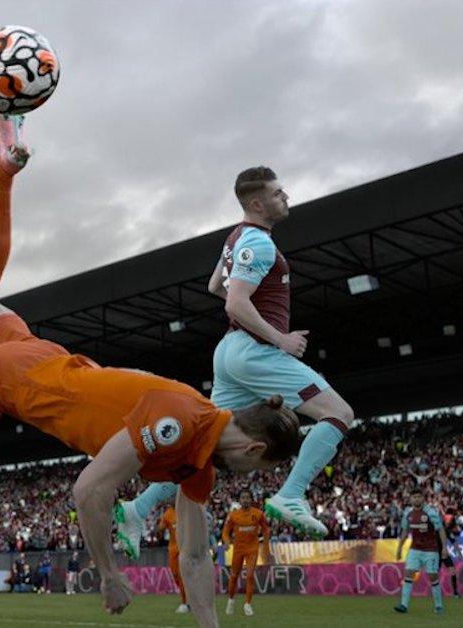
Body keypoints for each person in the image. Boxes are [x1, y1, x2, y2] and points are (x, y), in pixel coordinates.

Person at [0, 115, 300, 628]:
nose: (249, 478)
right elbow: (89, 489)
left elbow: (195, 558)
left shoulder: (198, 464)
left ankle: (1, 176)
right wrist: (108, 573)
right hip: (9, 380)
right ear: (254, 448)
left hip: (42, 357)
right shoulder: (179, 423)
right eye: (259, 470)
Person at [116, 166, 355, 555]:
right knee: (338, 413)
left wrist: (246, 310)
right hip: (252, 351)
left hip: (229, 352)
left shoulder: (236, 238)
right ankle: (291, 495)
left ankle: (136, 508)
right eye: (278, 194)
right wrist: (280, 338)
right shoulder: (259, 243)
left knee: (202, 443)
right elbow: (233, 300)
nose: (286, 197)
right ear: (258, 203)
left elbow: (215, 285)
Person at [394, 489, 449, 614]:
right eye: (414, 497)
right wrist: (399, 548)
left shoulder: (430, 512)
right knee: (408, 574)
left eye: (419, 497)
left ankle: (439, 605)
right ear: (411, 499)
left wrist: (444, 548)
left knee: (432, 576)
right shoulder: (408, 513)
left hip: (431, 549)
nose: (416, 499)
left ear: (423, 498)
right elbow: (404, 531)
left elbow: (440, 529)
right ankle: (403, 605)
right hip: (415, 549)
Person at [222, 491, 269, 616]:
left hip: (252, 549)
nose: (245, 500)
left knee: (249, 575)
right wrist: (226, 541)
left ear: (251, 499)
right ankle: (231, 601)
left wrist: (265, 546)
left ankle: (247, 604)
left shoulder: (258, 514)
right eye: (243, 498)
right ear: (239, 500)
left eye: (247, 497)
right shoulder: (233, 515)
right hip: (238, 550)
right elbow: (226, 531)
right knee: (233, 576)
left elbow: (265, 529)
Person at [156, 507, 189, 614]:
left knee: (181, 575)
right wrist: (159, 528)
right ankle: (189, 596)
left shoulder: (187, 510)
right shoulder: (168, 513)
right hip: (173, 549)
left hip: (185, 548)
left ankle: (184, 603)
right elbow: (161, 529)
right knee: (175, 575)